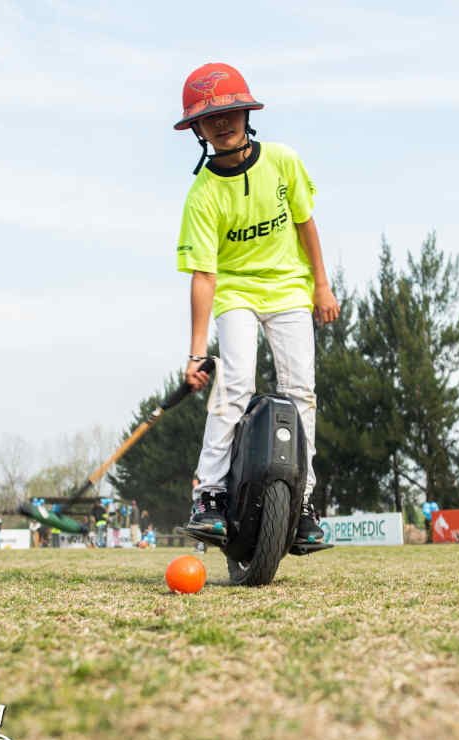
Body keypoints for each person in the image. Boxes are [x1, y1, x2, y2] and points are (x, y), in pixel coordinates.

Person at [175, 62, 339, 542]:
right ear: (198, 129)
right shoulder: (202, 195)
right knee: (234, 386)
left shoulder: (283, 161)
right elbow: (204, 276)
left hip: (289, 288)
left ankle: (304, 504)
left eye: (232, 112)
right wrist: (196, 350)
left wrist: (321, 287)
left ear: (247, 113)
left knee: (301, 390)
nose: (223, 123)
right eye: (211, 118)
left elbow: (306, 224)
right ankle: (210, 497)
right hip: (236, 293)